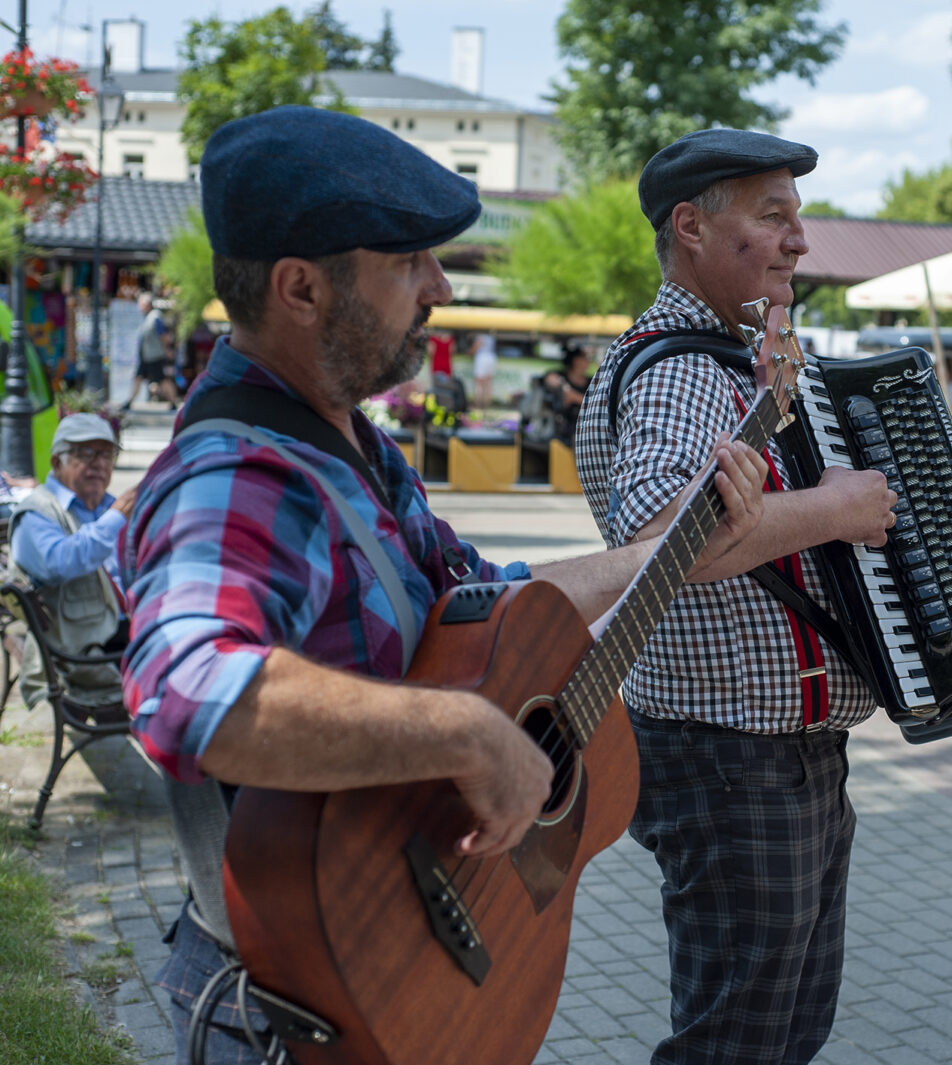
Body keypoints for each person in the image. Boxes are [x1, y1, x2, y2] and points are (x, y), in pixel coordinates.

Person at [120, 105, 768, 1065]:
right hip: (292, 1014)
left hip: (394, 979)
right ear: (301, 288)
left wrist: (673, 547)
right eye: (408, 260)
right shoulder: (237, 475)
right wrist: (466, 733)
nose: (441, 285)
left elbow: (484, 606)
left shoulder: (351, 444)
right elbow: (183, 692)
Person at [573, 128, 901, 1065]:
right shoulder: (678, 366)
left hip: (772, 750)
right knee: (737, 1042)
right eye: (773, 215)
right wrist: (836, 507)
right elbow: (654, 537)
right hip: (728, 752)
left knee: (783, 1029)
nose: (799, 239)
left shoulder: (725, 355)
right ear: (691, 227)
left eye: (797, 216)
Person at [5, 413, 136, 712]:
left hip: (127, 633)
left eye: (106, 454)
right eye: (85, 453)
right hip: (87, 654)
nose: (99, 463)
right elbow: (61, 562)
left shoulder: (108, 505)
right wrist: (116, 517)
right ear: (56, 462)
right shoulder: (37, 512)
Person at [128, 292, 179, 410]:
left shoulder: (155, 317)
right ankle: (129, 401)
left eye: (140, 304)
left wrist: (167, 350)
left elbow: (164, 336)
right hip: (147, 356)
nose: (139, 307)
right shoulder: (148, 317)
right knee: (138, 377)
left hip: (155, 356)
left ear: (147, 305)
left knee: (162, 380)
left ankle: (173, 401)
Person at [547, 343, 589, 445]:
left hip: (585, 425)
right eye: (585, 358)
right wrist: (563, 388)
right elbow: (550, 379)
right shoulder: (561, 377)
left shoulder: (591, 381)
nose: (588, 361)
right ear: (576, 360)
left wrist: (574, 397)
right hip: (565, 428)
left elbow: (596, 403)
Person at [470, 330, 497, 408]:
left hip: (482, 358)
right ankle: (487, 404)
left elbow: (476, 347)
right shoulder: (491, 335)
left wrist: (470, 352)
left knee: (479, 383)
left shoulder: (480, 335)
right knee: (488, 384)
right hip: (492, 357)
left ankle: (477, 404)